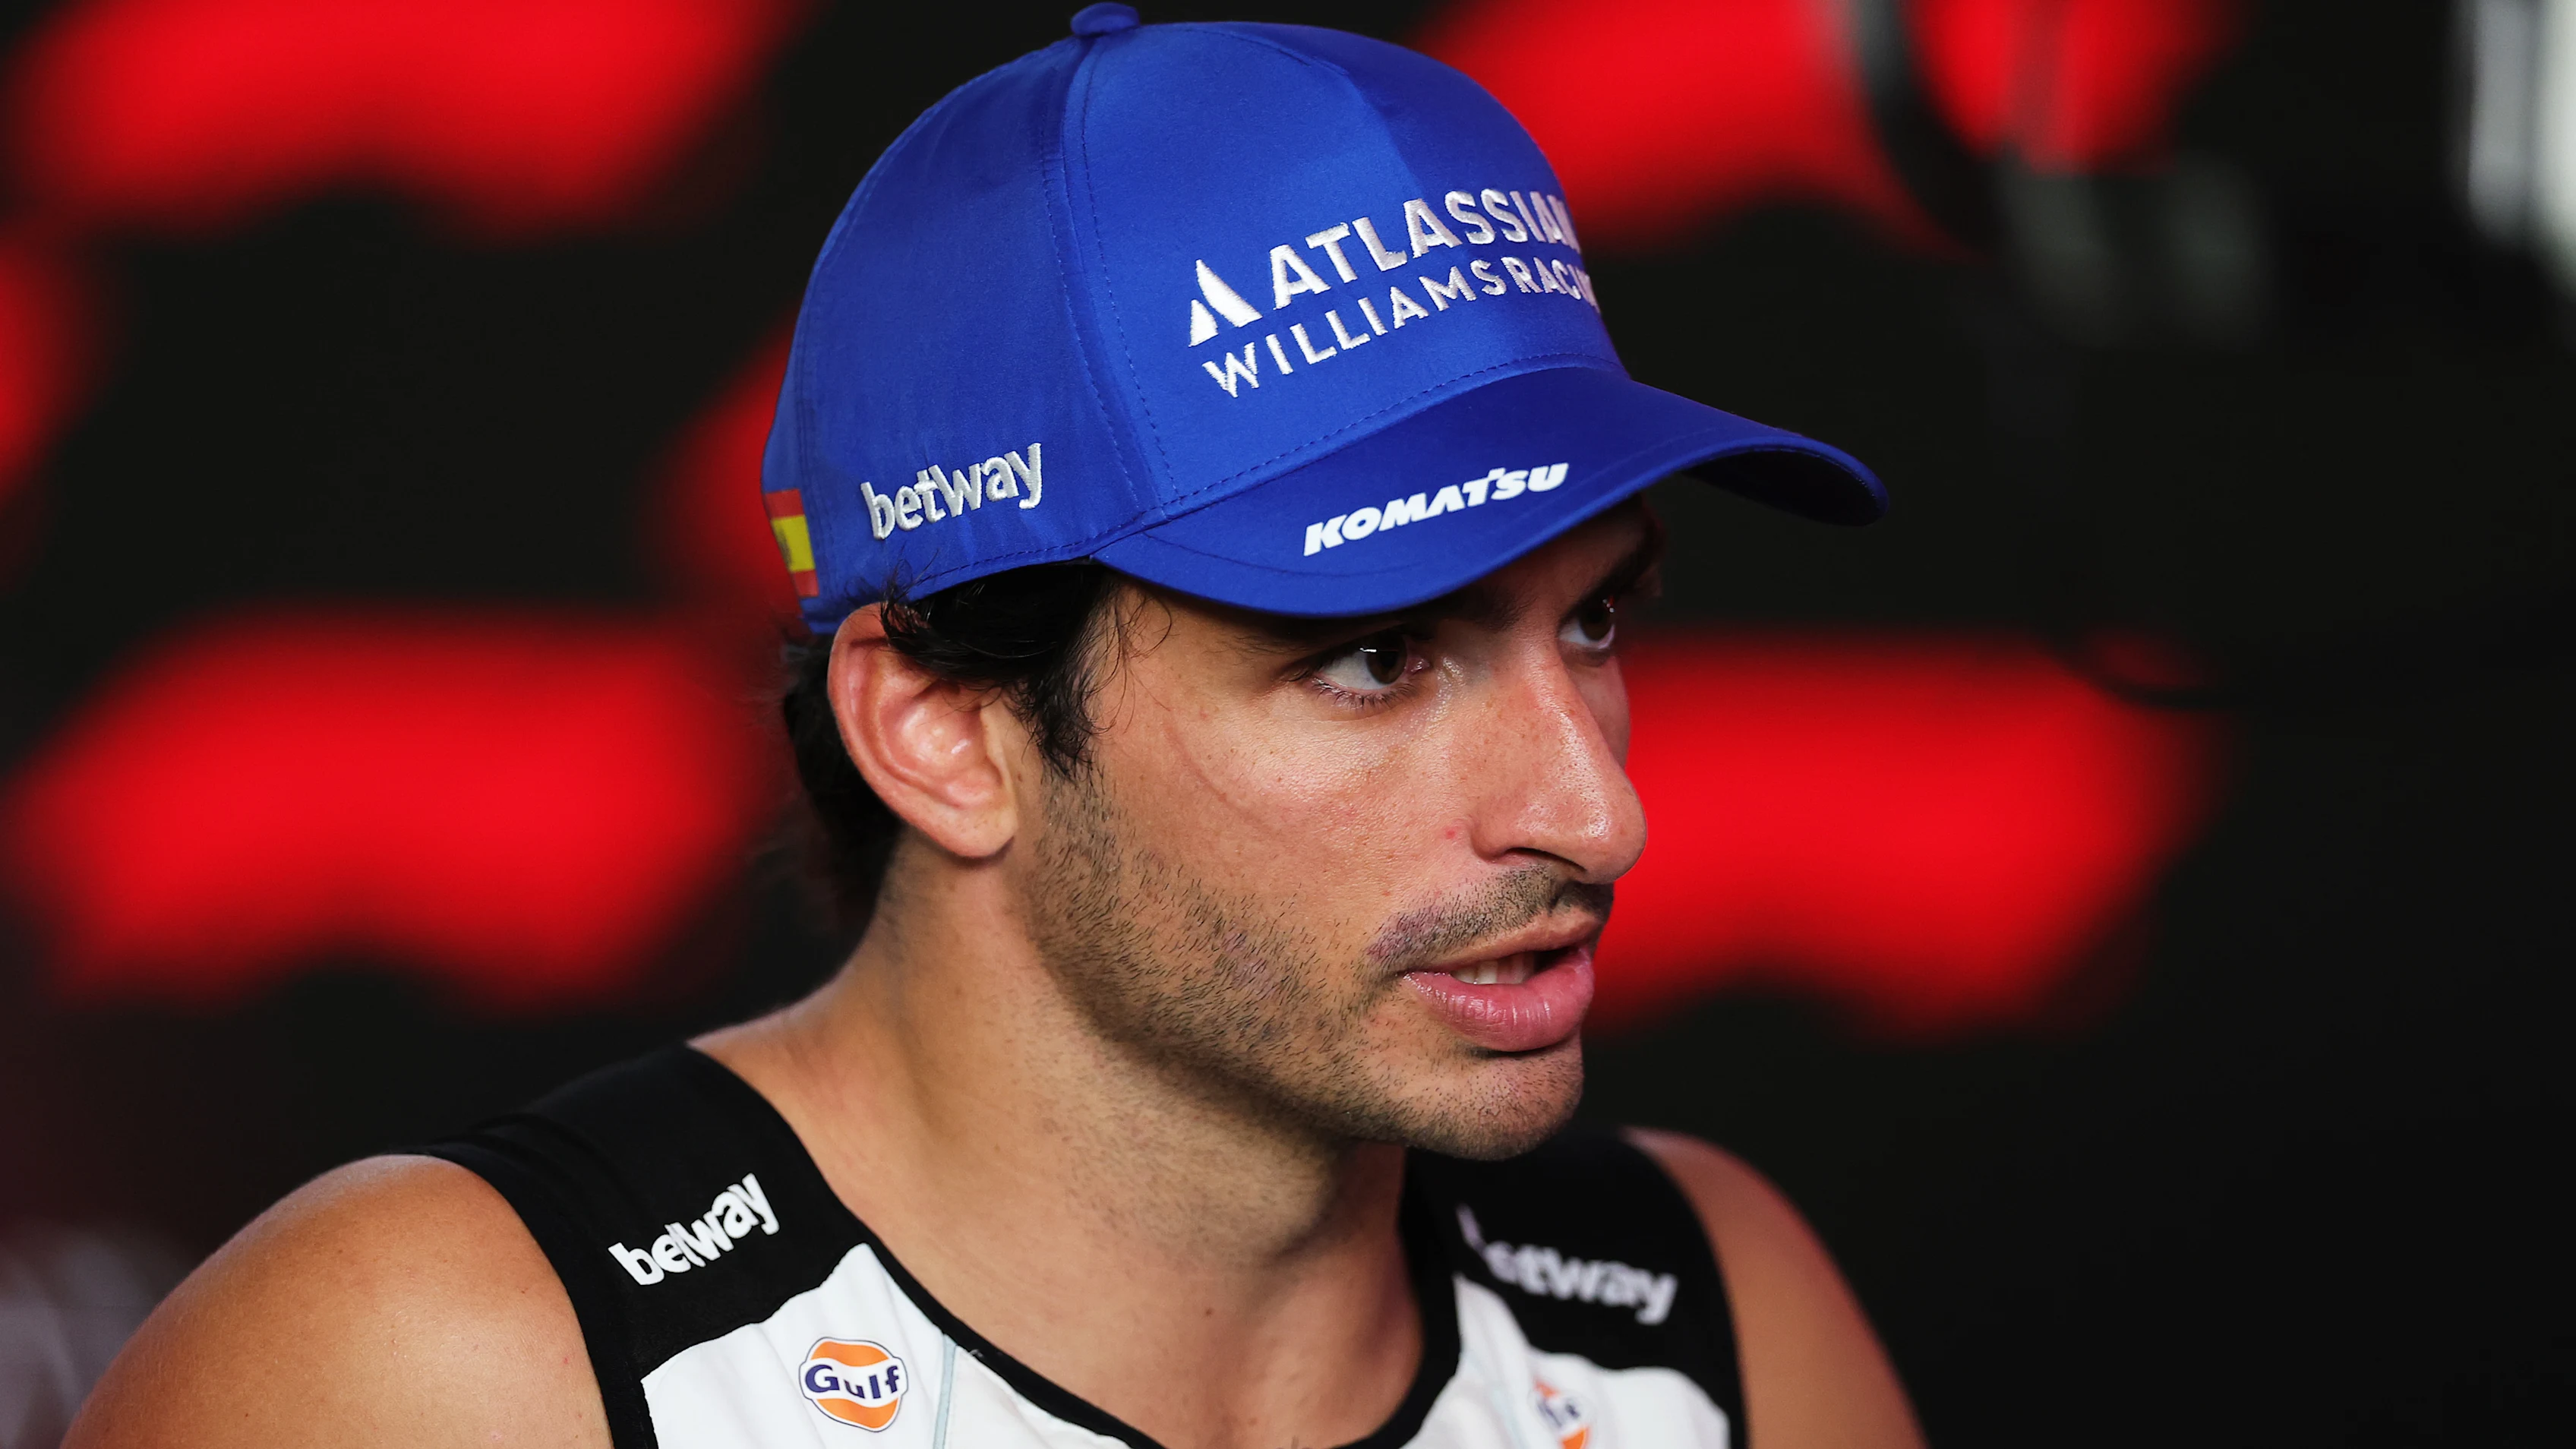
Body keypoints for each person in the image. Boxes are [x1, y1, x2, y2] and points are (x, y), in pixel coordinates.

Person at [69, 8, 1922, 1448]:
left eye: (1592, 618)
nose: (1595, 814)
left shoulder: (1699, 1321)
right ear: (942, 730)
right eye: (1376, 658)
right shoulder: (447, 1372)